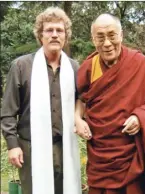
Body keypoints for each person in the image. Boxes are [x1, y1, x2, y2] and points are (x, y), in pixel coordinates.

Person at [75, 13, 145, 194]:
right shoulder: (89, 67)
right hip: (101, 156)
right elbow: (81, 98)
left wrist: (140, 117)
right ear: (93, 39)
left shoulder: (138, 63)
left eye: (112, 35)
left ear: (121, 35)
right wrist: (78, 119)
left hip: (131, 155)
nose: (107, 43)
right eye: (100, 37)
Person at [1, 7, 81, 194]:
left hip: (65, 148)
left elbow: (83, 101)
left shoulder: (75, 68)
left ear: (65, 36)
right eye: (49, 30)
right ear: (40, 35)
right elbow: (8, 112)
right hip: (31, 149)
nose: (54, 35)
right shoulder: (21, 66)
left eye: (59, 30)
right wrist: (13, 146)